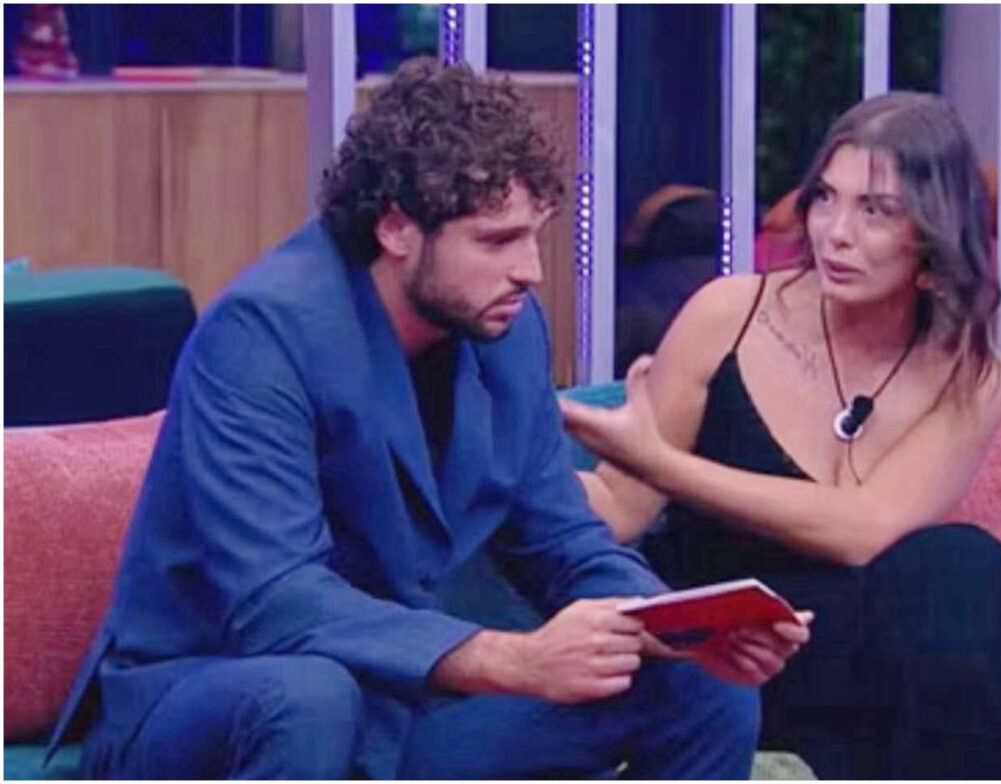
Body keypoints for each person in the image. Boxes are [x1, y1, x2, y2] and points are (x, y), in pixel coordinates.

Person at [46, 58, 810, 780]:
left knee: (702, 688)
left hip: (387, 704)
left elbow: (558, 538)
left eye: (534, 235)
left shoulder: (505, 327)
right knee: (309, 697)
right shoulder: (262, 335)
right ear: (397, 228)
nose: (530, 271)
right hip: (215, 696)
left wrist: (679, 626)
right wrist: (510, 659)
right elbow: (274, 601)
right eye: (496, 240)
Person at [561, 91, 1001, 780]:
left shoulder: (971, 377)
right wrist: (505, 454)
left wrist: (660, 461)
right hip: (728, 657)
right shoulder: (728, 315)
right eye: (826, 198)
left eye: (877, 211)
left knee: (962, 566)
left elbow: (864, 531)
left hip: (865, 666)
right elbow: (621, 506)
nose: (836, 233)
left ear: (933, 233)